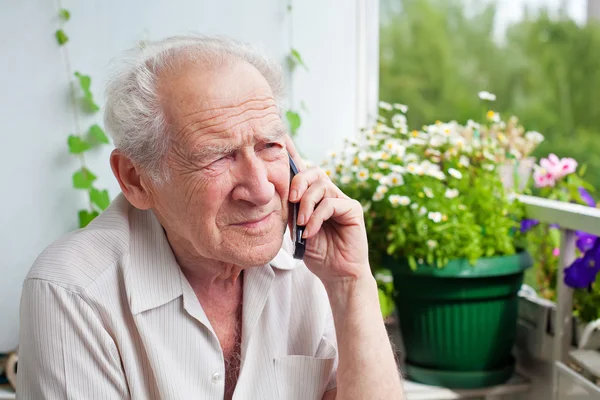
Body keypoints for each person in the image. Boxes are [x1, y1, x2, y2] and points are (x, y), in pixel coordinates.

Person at [17, 35, 403, 400]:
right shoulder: (75, 290)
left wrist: (352, 284)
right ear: (137, 179)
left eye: (269, 146)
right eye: (218, 156)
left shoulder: (312, 262)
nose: (261, 189)